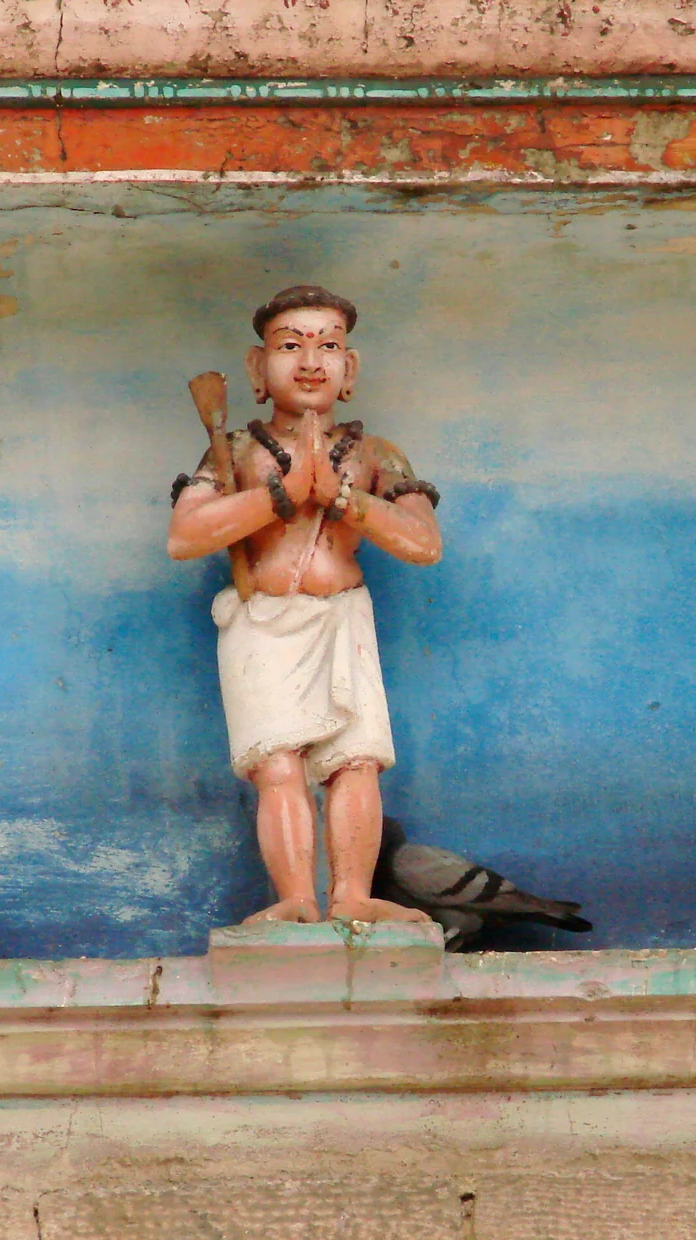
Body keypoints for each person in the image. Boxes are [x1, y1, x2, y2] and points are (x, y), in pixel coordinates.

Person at [169, 286, 443, 924]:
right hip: (263, 620)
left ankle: (351, 895)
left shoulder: (376, 455)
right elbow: (186, 536)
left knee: (356, 760)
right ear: (257, 369)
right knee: (277, 762)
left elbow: (423, 543)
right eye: (290, 346)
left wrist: (347, 501)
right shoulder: (234, 452)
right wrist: (284, 493)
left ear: (351, 369)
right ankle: (295, 897)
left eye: (328, 346)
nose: (311, 361)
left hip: (341, 613)